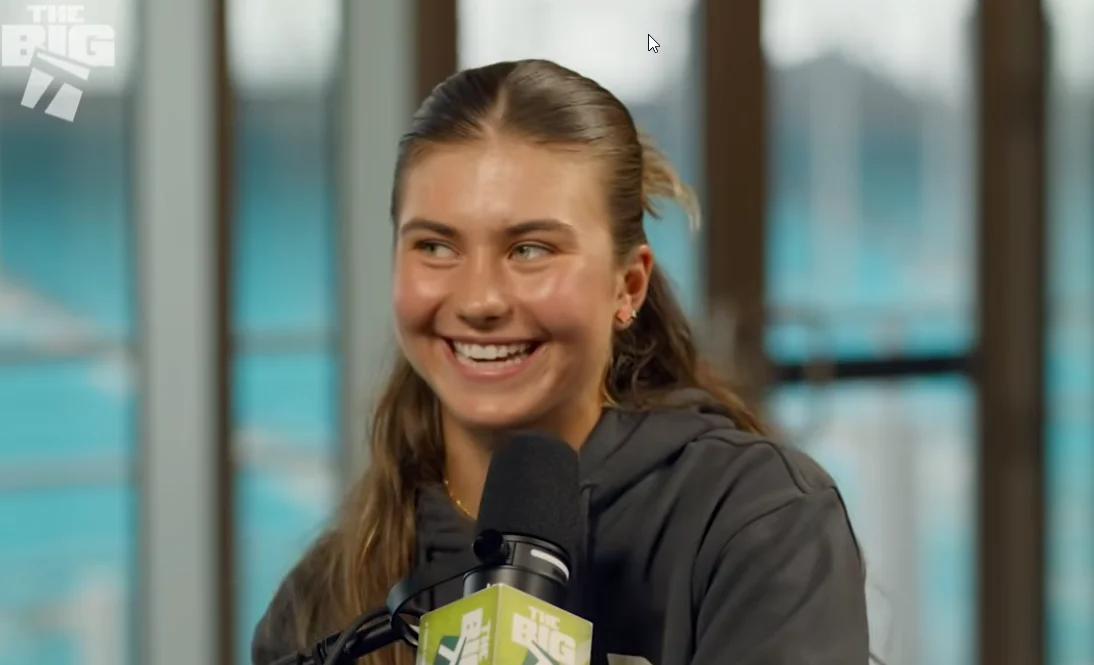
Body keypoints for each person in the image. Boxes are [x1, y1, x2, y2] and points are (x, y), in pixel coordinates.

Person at [251, 58, 870, 665]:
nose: (479, 300)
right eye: (436, 246)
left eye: (530, 248)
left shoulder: (753, 521)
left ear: (628, 286)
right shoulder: (321, 604)